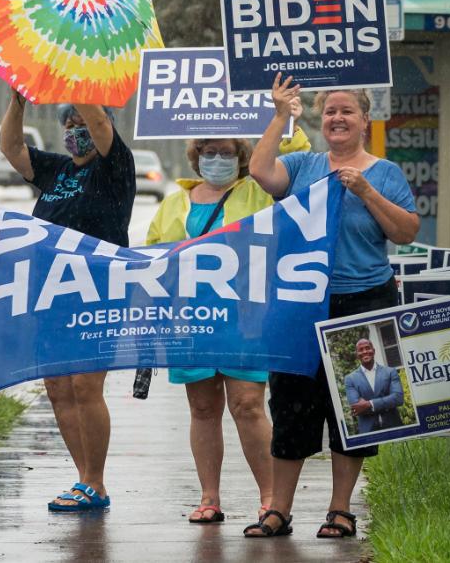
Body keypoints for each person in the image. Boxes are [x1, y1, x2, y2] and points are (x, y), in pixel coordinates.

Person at [246, 73, 419, 539]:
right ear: (321, 120)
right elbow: (261, 172)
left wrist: (366, 192)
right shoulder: (303, 165)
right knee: (291, 404)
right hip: (302, 304)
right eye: (330, 111)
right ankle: (277, 510)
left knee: (355, 407)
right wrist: (281, 113)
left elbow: (405, 232)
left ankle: (340, 510)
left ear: (365, 119)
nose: (337, 118)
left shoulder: (385, 173)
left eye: (347, 111)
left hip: (364, 300)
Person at [0, 88, 135, 511]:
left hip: (99, 291)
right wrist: (18, 100)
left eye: (83, 122)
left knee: (85, 385)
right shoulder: (56, 170)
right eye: (68, 123)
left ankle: (96, 481)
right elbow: (12, 147)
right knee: (58, 387)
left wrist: (81, 88)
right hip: (53, 294)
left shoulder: (116, 168)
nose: (77, 129)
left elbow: (99, 124)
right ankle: (83, 478)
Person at [146, 138, 284, 523]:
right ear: (196, 157)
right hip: (190, 320)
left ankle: (273, 498)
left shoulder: (259, 193)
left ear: (242, 157)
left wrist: (278, 116)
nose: (217, 160)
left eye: (226, 152)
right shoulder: (174, 202)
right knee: (203, 408)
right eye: (209, 152)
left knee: (248, 406)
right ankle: (209, 497)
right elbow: (153, 255)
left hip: (246, 319)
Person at [343, 339, 404, 434]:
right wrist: (387, 402)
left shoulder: (390, 372)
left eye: (368, 348)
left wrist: (369, 404)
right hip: (368, 431)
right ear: (357, 354)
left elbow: (398, 398)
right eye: (361, 349)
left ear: (373, 351)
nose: (365, 351)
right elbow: (356, 408)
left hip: (394, 427)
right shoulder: (350, 379)